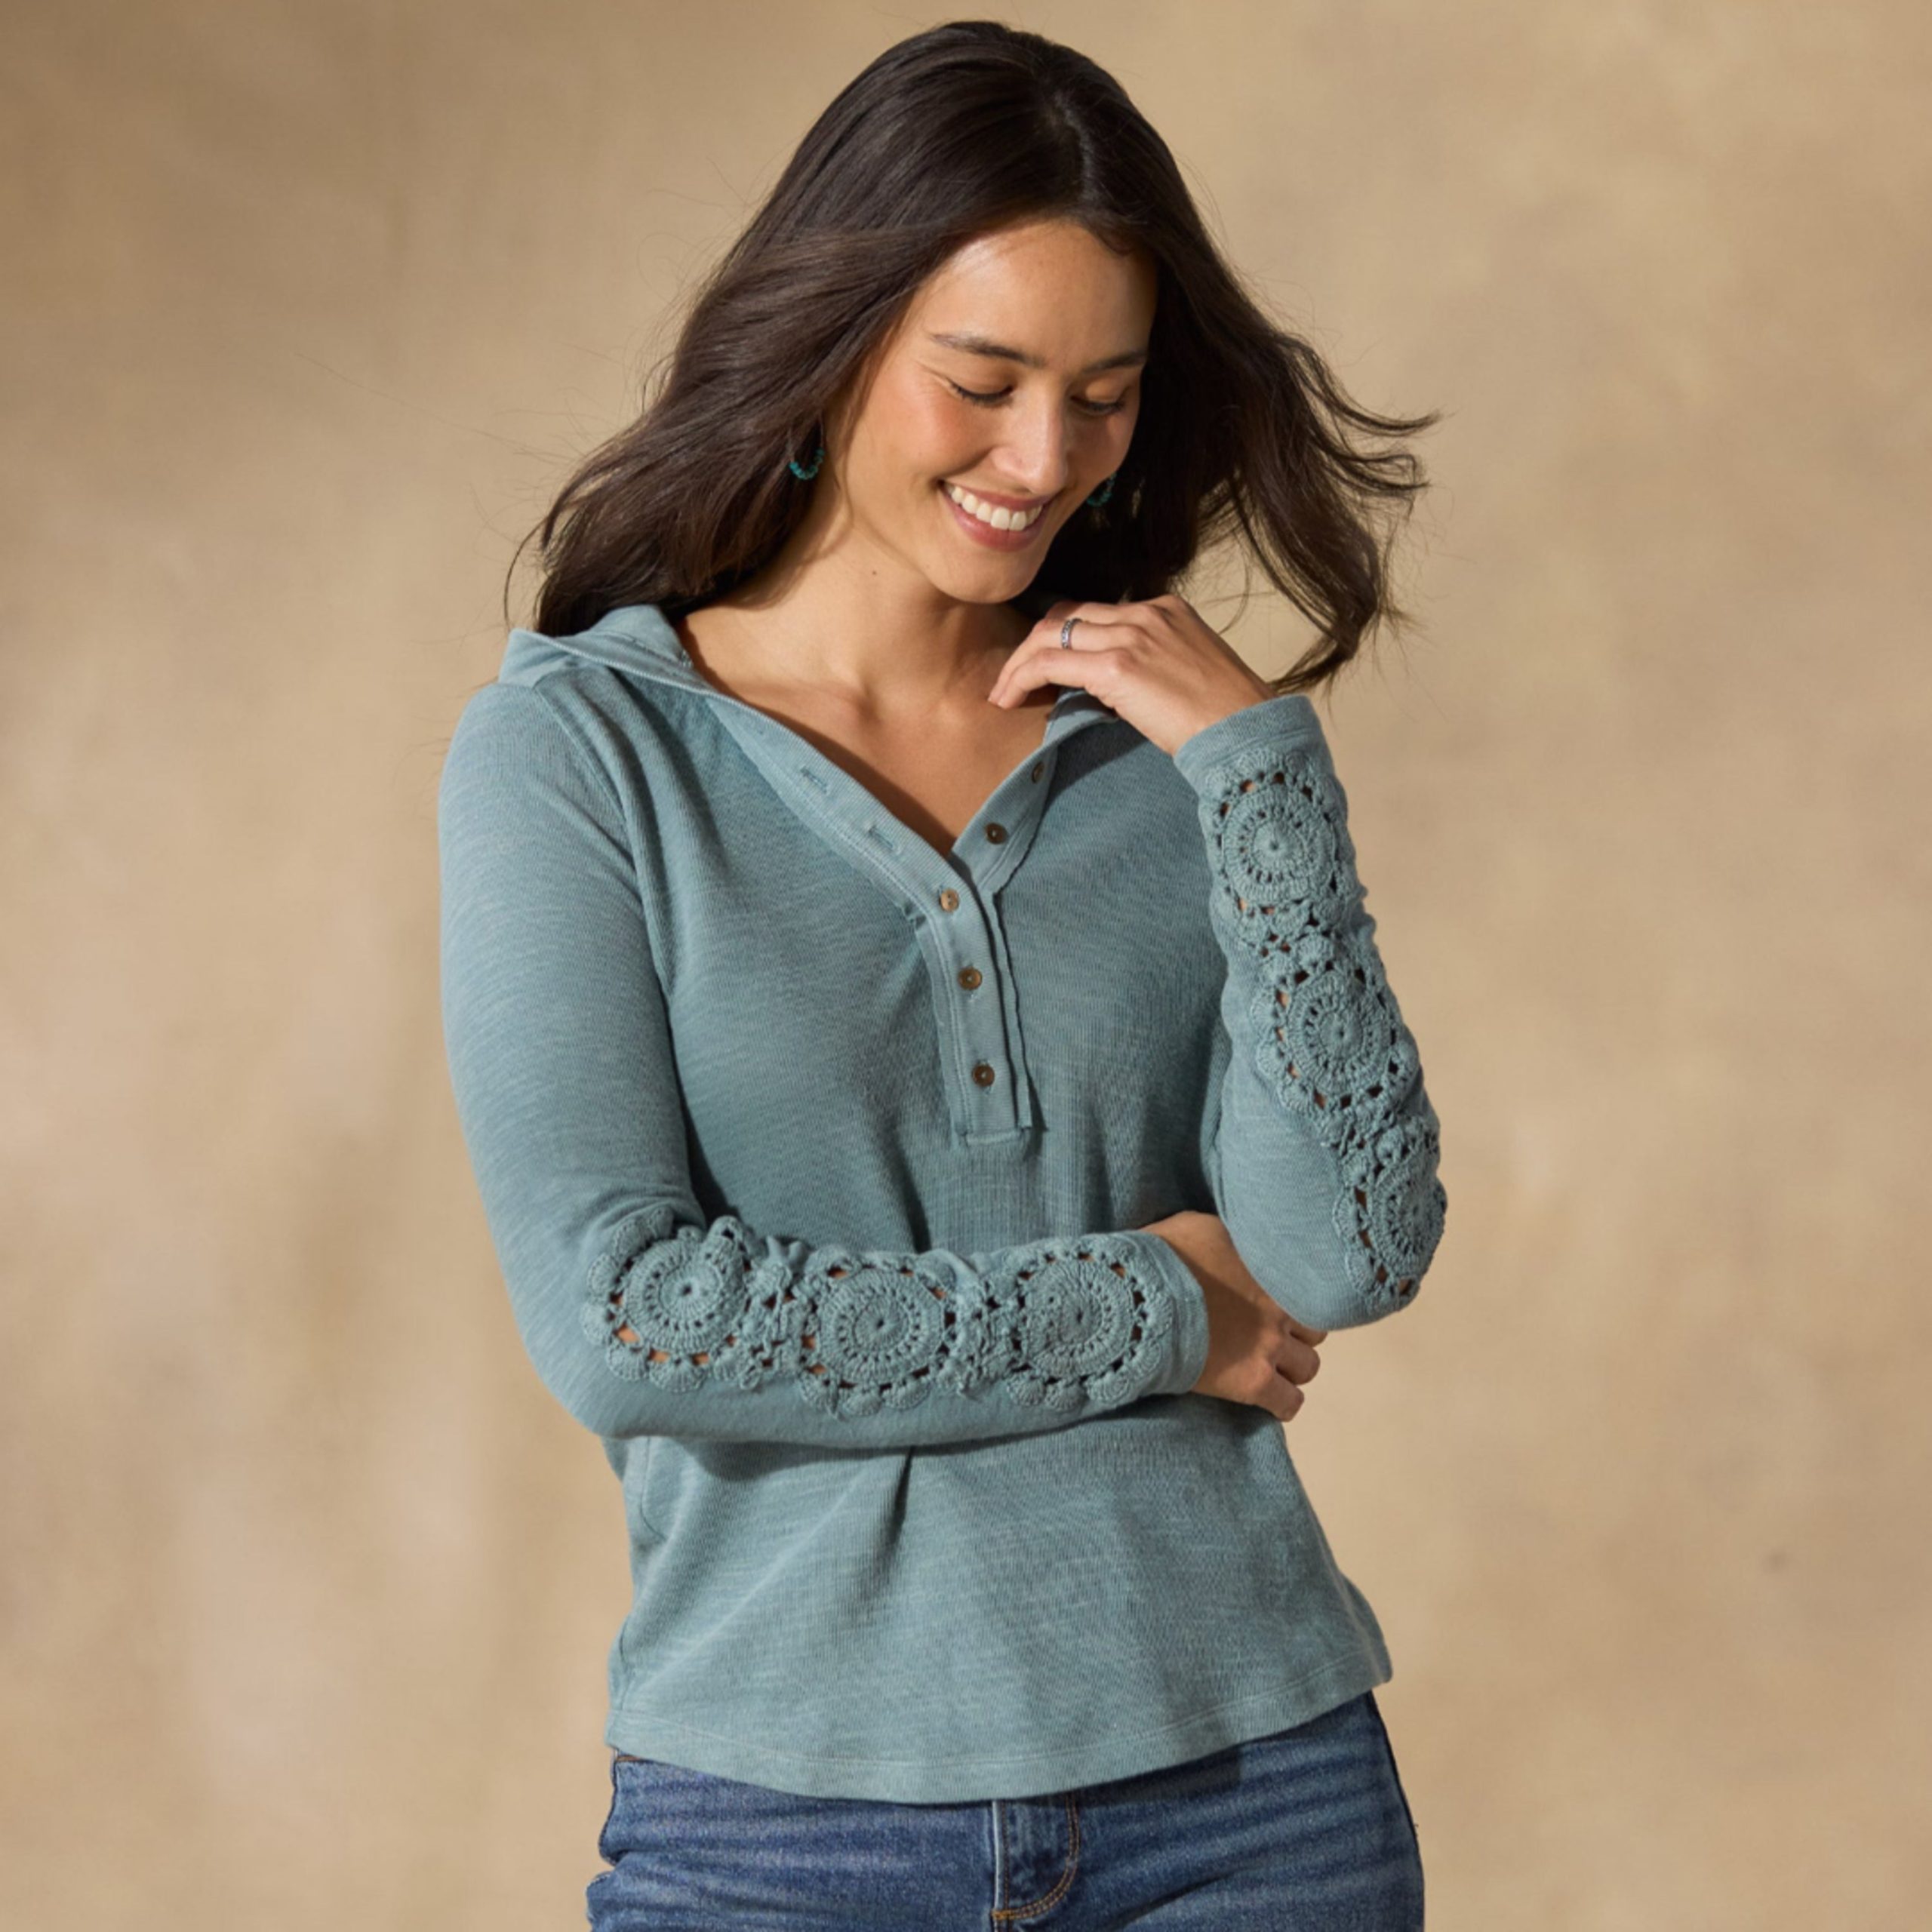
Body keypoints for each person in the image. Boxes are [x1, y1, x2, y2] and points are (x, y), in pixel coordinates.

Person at [437, 20, 1447, 1928]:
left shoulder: (1165, 751)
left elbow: (1345, 1253)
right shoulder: (586, 756)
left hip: (1254, 1798)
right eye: (979, 382)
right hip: (782, 1825)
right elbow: (629, 1314)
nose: (1041, 459)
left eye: (1102, 396)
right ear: (830, 345)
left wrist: (1262, 780)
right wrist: (1155, 1303)